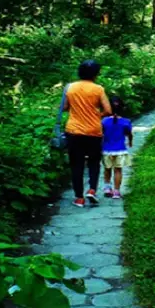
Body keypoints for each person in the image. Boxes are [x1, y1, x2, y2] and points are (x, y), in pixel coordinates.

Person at [62, 60, 111, 207]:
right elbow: (108, 111)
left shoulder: (70, 88)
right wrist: (97, 115)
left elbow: (64, 107)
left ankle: (79, 198)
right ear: (96, 74)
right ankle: (92, 190)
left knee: (76, 164)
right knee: (94, 162)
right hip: (93, 131)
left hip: (74, 131)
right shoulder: (98, 89)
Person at [101, 96, 133, 199]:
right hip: (120, 149)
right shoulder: (126, 121)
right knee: (118, 170)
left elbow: (101, 134)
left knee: (107, 169)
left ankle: (107, 187)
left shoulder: (104, 121)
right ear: (122, 108)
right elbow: (129, 134)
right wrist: (130, 142)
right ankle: (116, 191)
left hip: (106, 150)